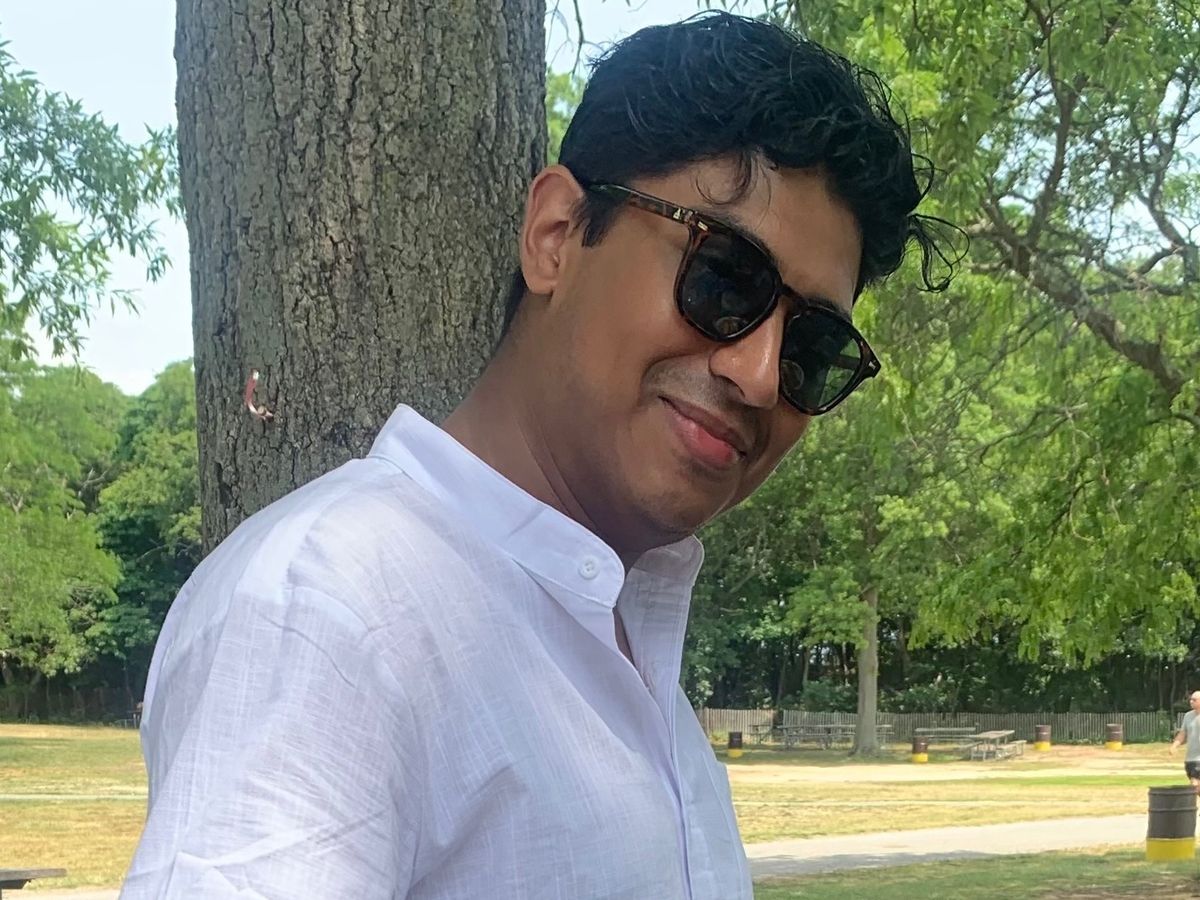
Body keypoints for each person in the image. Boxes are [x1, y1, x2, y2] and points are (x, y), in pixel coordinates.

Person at [122, 11, 951, 899]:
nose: (756, 375)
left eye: (812, 347)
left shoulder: (632, 665)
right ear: (557, 235)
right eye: (724, 279)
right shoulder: (334, 608)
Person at [1169, 691, 1200, 794]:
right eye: (1190, 699)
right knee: (1195, 786)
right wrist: (1174, 746)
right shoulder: (1188, 716)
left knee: (1195, 784)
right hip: (1191, 758)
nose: (1191, 702)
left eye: (1194, 700)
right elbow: (1183, 734)